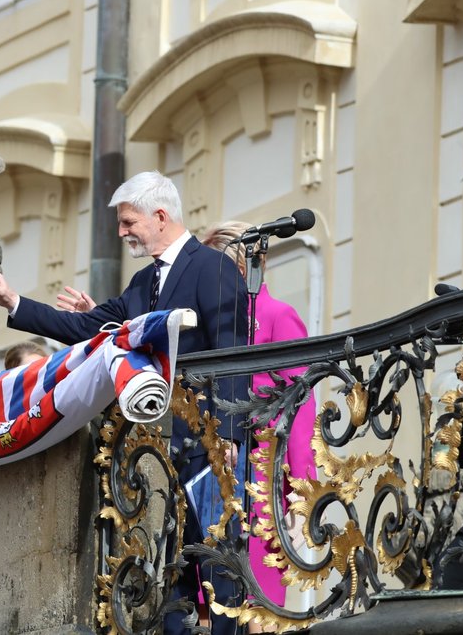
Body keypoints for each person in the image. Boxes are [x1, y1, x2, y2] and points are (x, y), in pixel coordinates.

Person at [0, 171, 250, 635]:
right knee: (171, 571)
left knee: (221, 571)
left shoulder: (213, 267)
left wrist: (230, 434)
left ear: (160, 217)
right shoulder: (142, 284)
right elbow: (88, 330)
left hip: (208, 448)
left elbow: (232, 353)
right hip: (155, 452)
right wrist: (13, 301)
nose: (121, 232)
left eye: (128, 221)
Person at [201, 220, 317, 631]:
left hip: (257, 486)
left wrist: (303, 498)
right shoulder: (208, 326)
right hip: (207, 482)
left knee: (257, 609)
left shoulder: (277, 316)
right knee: (203, 605)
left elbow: (301, 410)